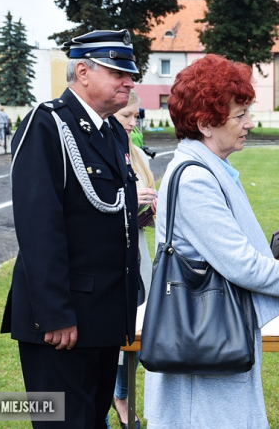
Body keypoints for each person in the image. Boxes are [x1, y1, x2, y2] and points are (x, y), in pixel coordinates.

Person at [143, 54, 279, 429]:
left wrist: (278, 257)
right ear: (204, 124)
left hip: (214, 343)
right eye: (239, 115)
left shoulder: (210, 169)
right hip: (202, 350)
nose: (250, 123)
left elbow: (225, 257)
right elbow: (240, 267)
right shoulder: (195, 179)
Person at [1, 29, 142, 429]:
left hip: (102, 315)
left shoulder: (111, 130)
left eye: (129, 74)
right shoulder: (46, 125)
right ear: (83, 71)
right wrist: (56, 313)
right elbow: (38, 225)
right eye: (118, 72)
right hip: (62, 323)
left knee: (91, 421)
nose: (129, 82)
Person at [106, 90, 156, 429]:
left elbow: (141, 211)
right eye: (128, 116)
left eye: (136, 116)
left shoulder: (138, 154)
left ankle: (121, 395)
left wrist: (151, 208)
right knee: (110, 341)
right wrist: (127, 200)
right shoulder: (99, 152)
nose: (133, 122)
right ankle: (117, 401)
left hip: (137, 256)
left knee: (138, 335)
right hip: (108, 263)